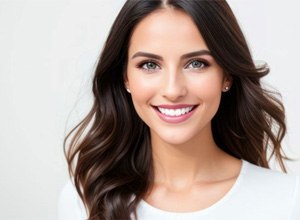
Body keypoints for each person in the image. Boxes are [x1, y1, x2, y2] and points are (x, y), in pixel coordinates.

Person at [58, 0, 300, 219]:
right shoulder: (84, 201)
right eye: (149, 65)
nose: (173, 90)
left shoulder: (288, 201)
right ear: (126, 78)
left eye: (196, 64)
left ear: (226, 75)